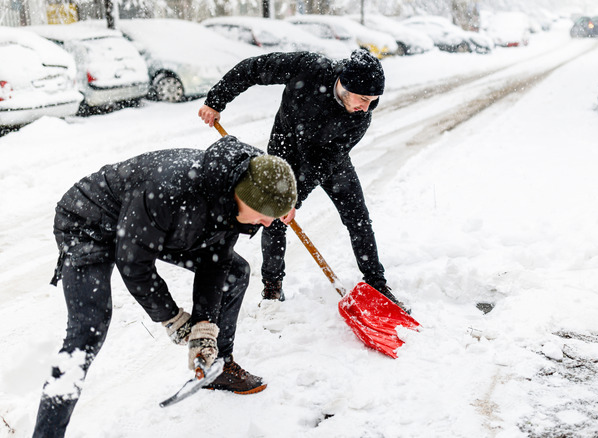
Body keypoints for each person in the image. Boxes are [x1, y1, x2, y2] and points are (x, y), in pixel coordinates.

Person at [33, 136, 298, 438]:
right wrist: (172, 318)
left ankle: (216, 366)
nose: (266, 224)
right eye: (265, 216)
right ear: (244, 197)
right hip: (90, 223)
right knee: (88, 329)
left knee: (235, 272)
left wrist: (203, 328)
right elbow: (134, 265)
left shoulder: (231, 195)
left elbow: (216, 262)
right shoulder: (171, 190)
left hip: (158, 227)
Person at [198, 49, 408, 311]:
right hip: (285, 151)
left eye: (373, 100)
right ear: (345, 83)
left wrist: (295, 197)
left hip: (330, 159)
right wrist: (216, 100)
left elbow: (322, 161)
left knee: (358, 218)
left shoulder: (361, 116)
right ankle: (272, 287)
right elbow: (253, 68)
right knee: (273, 218)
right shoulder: (308, 68)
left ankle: (377, 282)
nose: (366, 107)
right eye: (363, 98)